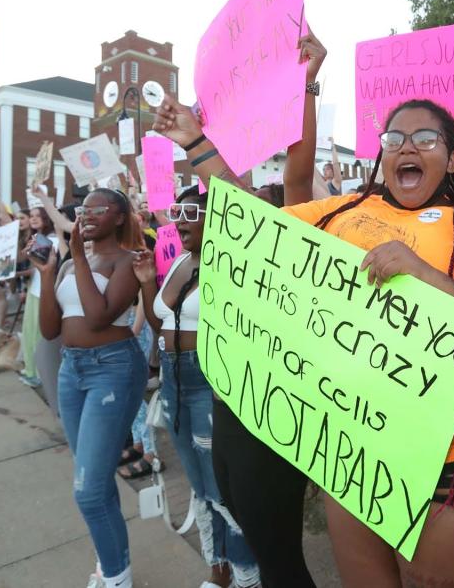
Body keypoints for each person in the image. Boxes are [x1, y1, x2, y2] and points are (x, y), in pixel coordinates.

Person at [154, 67, 454, 584]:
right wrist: (194, 141)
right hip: (355, 455)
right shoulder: (343, 211)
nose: (406, 146)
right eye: (394, 138)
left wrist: (425, 278)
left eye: (426, 138)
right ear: (382, 155)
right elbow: (250, 224)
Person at [152, 30, 325, 587]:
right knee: (252, 528)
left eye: (263, 205)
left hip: (271, 413)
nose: (247, 210)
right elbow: (228, 194)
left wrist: (306, 83)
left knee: (278, 558)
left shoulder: (289, 236)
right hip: (228, 404)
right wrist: (194, 144)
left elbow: (294, 176)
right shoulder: (221, 246)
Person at [134, 187, 261, 588]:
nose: (180, 222)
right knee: (199, 486)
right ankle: (217, 568)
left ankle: (247, 573)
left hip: (209, 380)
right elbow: (163, 326)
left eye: (192, 213)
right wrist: (144, 282)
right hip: (174, 380)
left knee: (221, 486)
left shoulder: (231, 265)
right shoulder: (179, 264)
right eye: (178, 212)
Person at [31, 188, 145, 588]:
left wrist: (77, 255)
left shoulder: (127, 262)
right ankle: (114, 565)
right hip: (72, 372)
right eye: (84, 209)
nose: (88, 214)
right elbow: (50, 330)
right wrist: (48, 276)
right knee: (94, 482)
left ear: (119, 217)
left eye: (100, 208)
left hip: (112, 370)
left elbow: (97, 317)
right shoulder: (65, 267)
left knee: (88, 492)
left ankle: (116, 578)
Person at [19, 206, 60, 388]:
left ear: (47, 218)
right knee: (29, 333)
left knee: (37, 335)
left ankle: (37, 374)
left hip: (44, 293)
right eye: (31, 215)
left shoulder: (53, 239)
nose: (33, 218)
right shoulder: (36, 238)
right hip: (34, 290)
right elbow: (28, 264)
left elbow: (44, 265)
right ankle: (32, 371)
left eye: (38, 216)